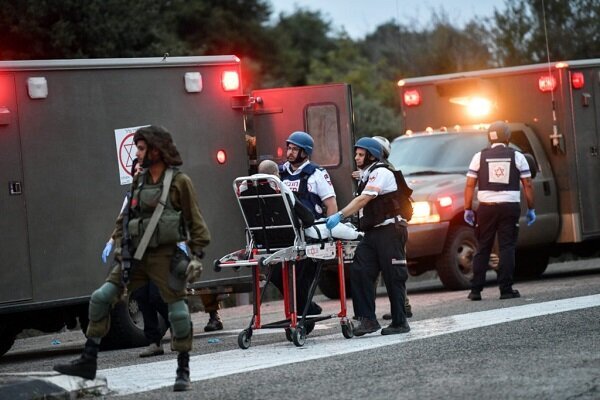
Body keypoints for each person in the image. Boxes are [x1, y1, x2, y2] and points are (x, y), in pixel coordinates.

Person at [54, 125, 211, 392]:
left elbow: (196, 222)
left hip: (165, 255)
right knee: (100, 299)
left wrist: (196, 256)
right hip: (134, 256)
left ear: (156, 150)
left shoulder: (179, 181)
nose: (136, 154)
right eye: (136, 148)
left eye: (140, 148)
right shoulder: (139, 181)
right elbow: (125, 217)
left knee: (178, 312)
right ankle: (88, 361)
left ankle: (183, 370)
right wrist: (115, 241)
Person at [327, 137, 410, 336]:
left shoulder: (381, 172)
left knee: (393, 277)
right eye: (356, 153)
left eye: (361, 154)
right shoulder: (368, 174)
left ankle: (400, 321)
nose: (356, 157)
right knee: (359, 271)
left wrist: (340, 215)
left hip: (390, 231)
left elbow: (364, 199)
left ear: (372, 155)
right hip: (373, 233)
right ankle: (367, 320)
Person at [464, 121, 536, 300]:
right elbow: (527, 183)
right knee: (507, 247)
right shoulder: (517, 156)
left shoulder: (478, 156)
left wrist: (468, 209)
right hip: (509, 207)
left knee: (483, 247)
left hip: (486, 208)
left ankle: (475, 291)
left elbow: (470, 184)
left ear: (489, 137)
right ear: (508, 137)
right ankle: (506, 289)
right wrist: (531, 208)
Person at [276, 131, 338, 323]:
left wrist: (328, 234)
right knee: (276, 275)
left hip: (310, 235)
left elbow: (331, 205)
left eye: (295, 149)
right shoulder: (279, 173)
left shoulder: (317, 174)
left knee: (302, 278)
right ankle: (308, 309)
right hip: (286, 234)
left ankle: (303, 318)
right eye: (289, 148)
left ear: (305, 152)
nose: (290, 152)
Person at [370, 136, 413, 321]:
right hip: (394, 226)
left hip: (390, 227)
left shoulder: (383, 171)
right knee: (394, 269)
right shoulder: (387, 169)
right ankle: (404, 305)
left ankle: (401, 307)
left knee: (390, 270)